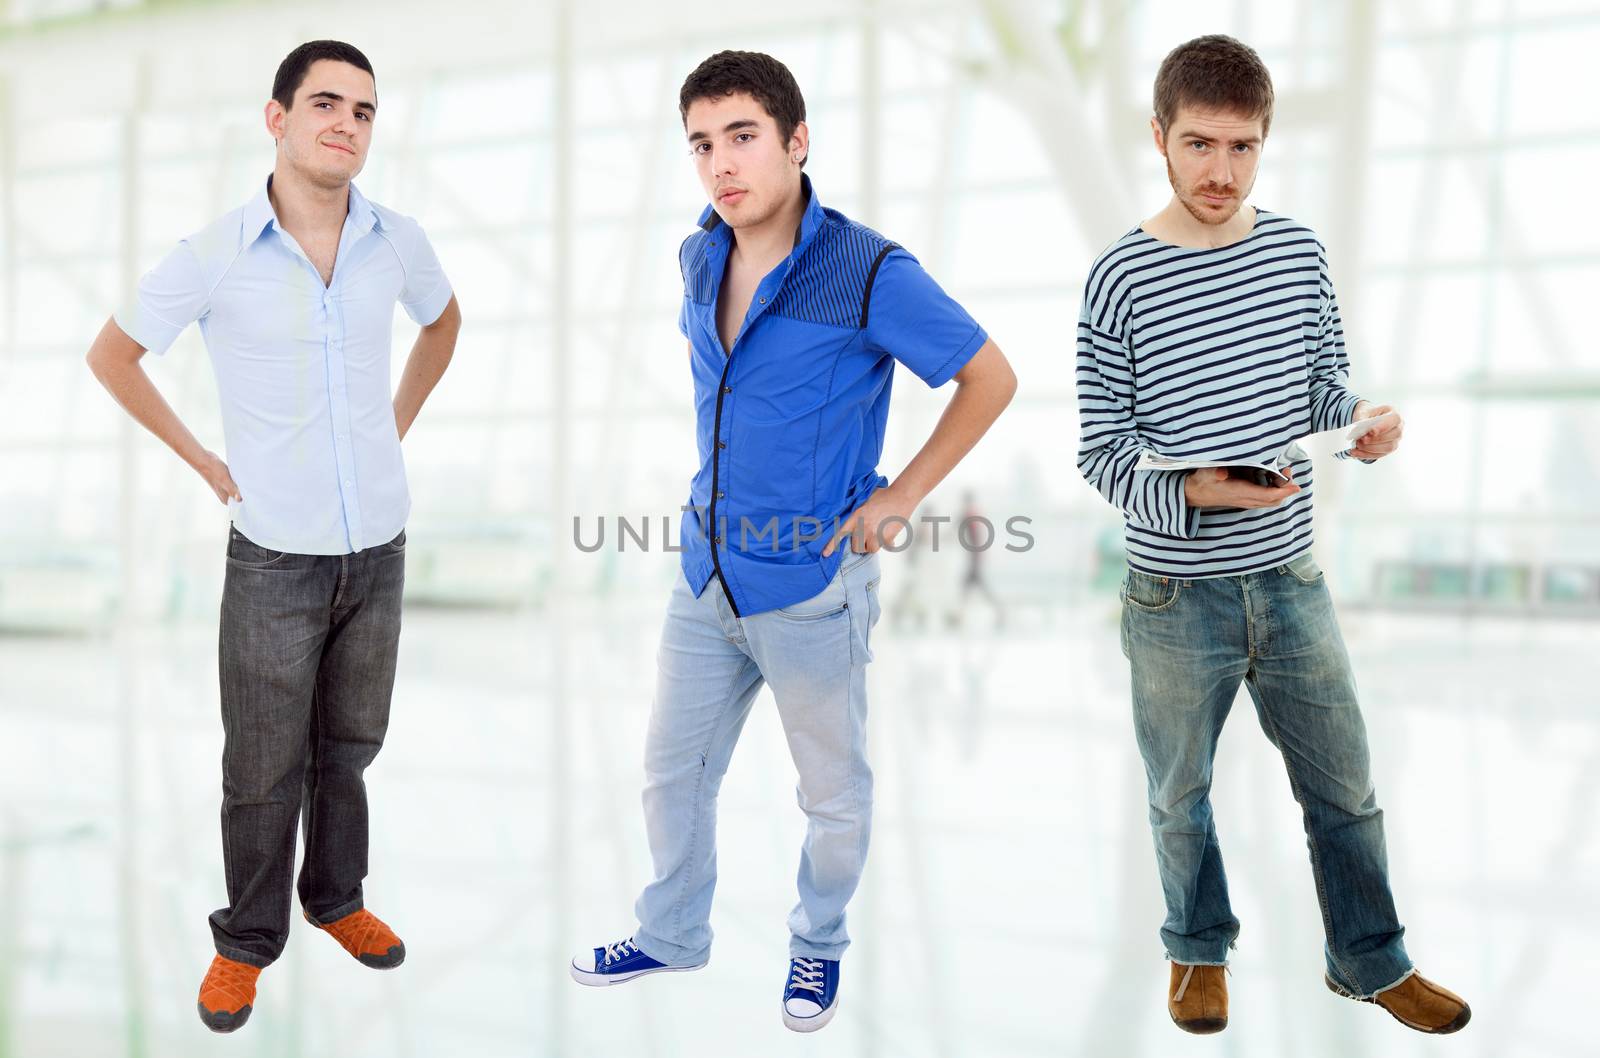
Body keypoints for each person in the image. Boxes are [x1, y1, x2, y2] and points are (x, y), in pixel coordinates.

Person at [569, 50, 1015, 1034]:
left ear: (796, 141)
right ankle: (673, 930)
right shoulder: (696, 257)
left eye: (742, 137)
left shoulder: (867, 269)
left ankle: (816, 948)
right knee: (669, 772)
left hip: (812, 586)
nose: (721, 164)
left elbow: (989, 375)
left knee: (833, 794)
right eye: (700, 144)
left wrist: (902, 492)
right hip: (704, 574)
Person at [1075, 34, 1469, 1037]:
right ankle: (1195, 950)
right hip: (1173, 594)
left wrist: (1364, 419)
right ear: (1157, 137)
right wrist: (1198, 493)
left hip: (1291, 578)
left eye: (1242, 147)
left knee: (1346, 786)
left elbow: (1323, 384)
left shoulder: (1296, 252)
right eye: (1198, 144)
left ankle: (1370, 959)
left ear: (1263, 144)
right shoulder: (1117, 279)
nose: (1219, 170)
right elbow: (1099, 449)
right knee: (1179, 793)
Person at [84, 40, 460, 1033]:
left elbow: (445, 322)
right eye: (325, 103)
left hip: (377, 540)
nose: (345, 123)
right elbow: (114, 354)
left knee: (350, 744)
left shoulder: (396, 239)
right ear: (278, 117)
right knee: (260, 765)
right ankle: (244, 943)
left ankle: (335, 898)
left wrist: (395, 420)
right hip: (274, 552)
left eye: (364, 111)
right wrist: (202, 459)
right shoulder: (214, 252)